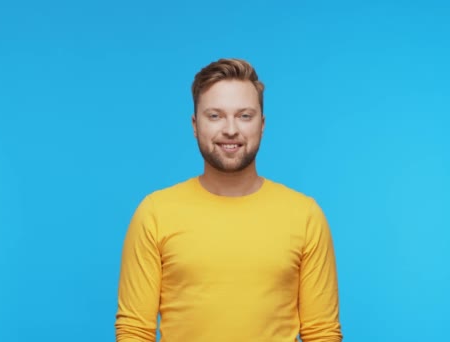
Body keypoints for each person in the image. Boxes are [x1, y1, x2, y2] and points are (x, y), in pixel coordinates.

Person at [115, 58, 342, 342]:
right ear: (195, 125)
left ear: (262, 124)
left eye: (245, 115)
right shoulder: (155, 213)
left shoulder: (305, 215)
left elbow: (322, 333)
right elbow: (135, 331)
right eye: (215, 116)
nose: (231, 129)